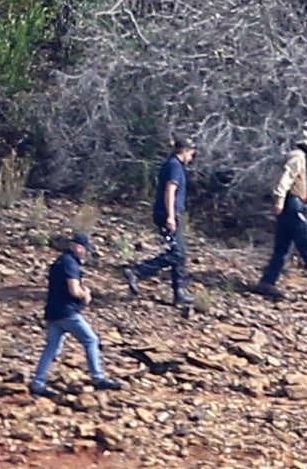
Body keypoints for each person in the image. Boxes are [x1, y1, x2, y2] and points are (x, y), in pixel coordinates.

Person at [32, 231, 119, 395]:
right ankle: (98, 378)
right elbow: (73, 290)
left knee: (52, 347)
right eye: (85, 249)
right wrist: (85, 294)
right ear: (78, 247)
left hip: (53, 312)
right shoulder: (70, 263)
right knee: (91, 340)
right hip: (67, 312)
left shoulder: (59, 261)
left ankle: (38, 383)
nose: (86, 253)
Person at [262, 126, 307, 299]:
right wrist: (280, 200)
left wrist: (304, 195)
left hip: (292, 203)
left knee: (283, 246)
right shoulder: (298, 157)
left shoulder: (295, 156)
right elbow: (285, 179)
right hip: (292, 206)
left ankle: (267, 281)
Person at [129, 144, 195, 309]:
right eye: (192, 154)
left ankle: (179, 293)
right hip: (167, 214)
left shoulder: (173, 165)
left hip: (170, 214)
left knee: (179, 252)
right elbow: (169, 191)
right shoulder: (174, 166)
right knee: (177, 254)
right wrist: (171, 216)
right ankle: (138, 271)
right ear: (185, 150)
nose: (192, 158)